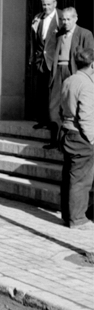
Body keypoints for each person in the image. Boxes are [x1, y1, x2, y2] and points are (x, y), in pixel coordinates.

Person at [58, 47, 94, 230]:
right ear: (92, 64)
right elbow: (86, 116)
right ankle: (78, 219)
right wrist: (93, 139)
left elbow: (60, 107)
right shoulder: (87, 84)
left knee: (69, 176)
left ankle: (68, 215)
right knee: (81, 179)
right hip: (80, 135)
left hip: (66, 131)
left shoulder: (69, 80)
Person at [49, 8, 94, 150]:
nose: (65, 22)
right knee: (54, 106)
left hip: (74, 70)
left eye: (68, 19)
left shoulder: (85, 33)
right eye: (63, 19)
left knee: (74, 105)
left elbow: (90, 55)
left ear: (76, 19)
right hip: (59, 71)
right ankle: (56, 140)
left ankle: (78, 139)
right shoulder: (60, 34)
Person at [30, 0, 62, 144]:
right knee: (41, 91)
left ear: (55, 3)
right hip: (41, 61)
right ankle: (42, 119)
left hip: (54, 61)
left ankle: (52, 121)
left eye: (49, 4)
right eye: (44, 4)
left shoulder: (61, 17)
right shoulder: (38, 18)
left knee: (53, 92)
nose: (46, 7)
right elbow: (34, 40)